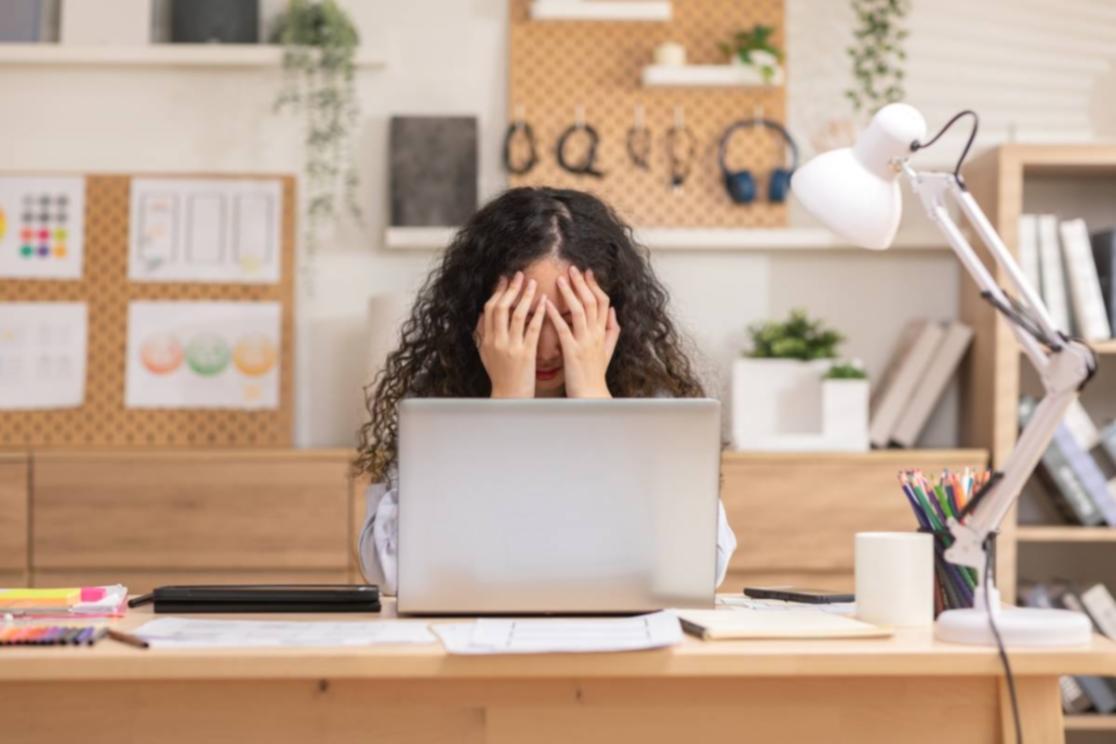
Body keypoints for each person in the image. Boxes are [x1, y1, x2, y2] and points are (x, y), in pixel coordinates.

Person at [354, 186, 736, 594]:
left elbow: (702, 566)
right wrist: (505, 406)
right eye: (526, 317)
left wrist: (595, 401)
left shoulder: (653, 407)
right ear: (482, 315)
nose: (549, 347)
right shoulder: (436, 405)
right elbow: (390, 570)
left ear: (610, 317)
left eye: (572, 319)